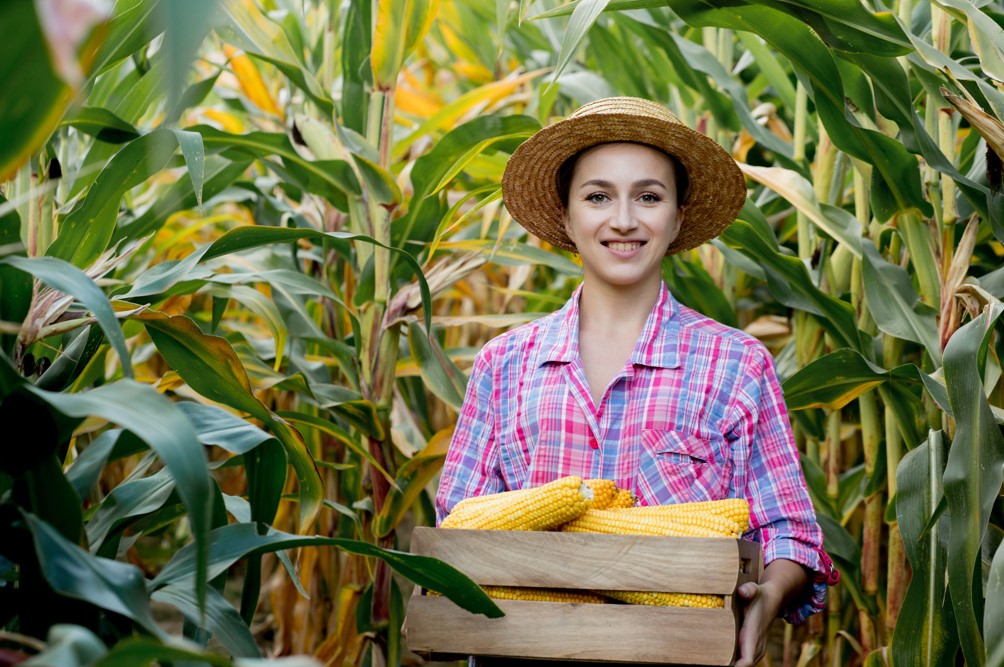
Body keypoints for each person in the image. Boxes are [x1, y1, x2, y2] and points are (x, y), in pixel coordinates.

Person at [434, 97, 839, 667]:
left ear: (676, 219)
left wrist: (767, 598)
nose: (623, 219)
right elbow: (457, 524)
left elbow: (790, 532)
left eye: (648, 197)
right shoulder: (505, 365)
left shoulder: (736, 364)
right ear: (566, 217)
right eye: (598, 196)